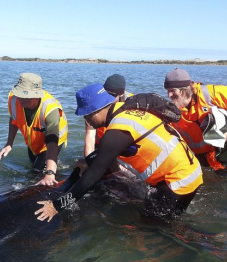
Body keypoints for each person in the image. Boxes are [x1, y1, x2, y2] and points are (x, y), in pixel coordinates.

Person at [35, 83, 203, 222]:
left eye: (86, 116)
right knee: (167, 219)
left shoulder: (117, 130)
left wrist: (58, 205)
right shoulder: (128, 110)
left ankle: (203, 243)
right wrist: (88, 161)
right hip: (189, 172)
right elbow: (108, 153)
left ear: (96, 110)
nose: (87, 121)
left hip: (177, 182)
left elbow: (92, 177)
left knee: (153, 228)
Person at [0, 73, 68, 186]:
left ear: (37, 95)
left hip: (53, 139)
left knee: (35, 173)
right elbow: (14, 119)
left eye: (26, 97)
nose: (21, 100)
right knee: (33, 165)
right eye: (20, 95)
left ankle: (53, 180)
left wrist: (49, 173)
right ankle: (55, 170)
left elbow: (52, 141)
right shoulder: (14, 100)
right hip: (33, 138)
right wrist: (9, 143)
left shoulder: (50, 109)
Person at [164, 68, 227, 172]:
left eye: (172, 91)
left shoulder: (211, 94)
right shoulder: (174, 112)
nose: (169, 95)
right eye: (167, 91)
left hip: (223, 151)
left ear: (184, 90)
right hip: (203, 160)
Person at [84, 74, 133, 157]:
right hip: (101, 144)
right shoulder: (97, 101)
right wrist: (88, 161)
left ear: (121, 94)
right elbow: (90, 136)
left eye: (112, 95)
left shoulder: (132, 105)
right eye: (106, 94)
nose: (108, 99)